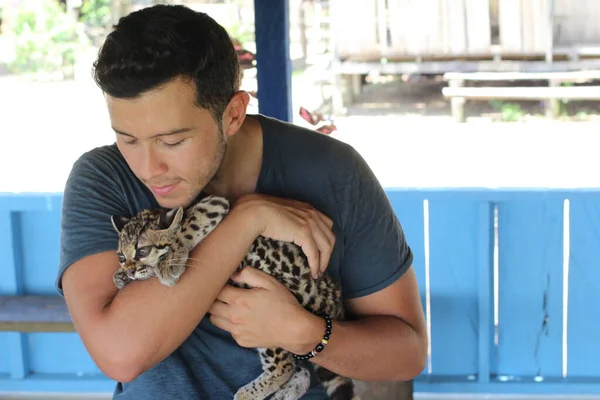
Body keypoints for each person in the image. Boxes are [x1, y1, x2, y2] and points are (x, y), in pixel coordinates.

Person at [55, 4, 427, 399]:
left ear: (233, 114)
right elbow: (120, 354)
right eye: (127, 138)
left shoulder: (333, 170)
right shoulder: (103, 179)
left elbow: (406, 354)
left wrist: (305, 334)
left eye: (173, 141)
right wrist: (247, 218)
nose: (148, 169)